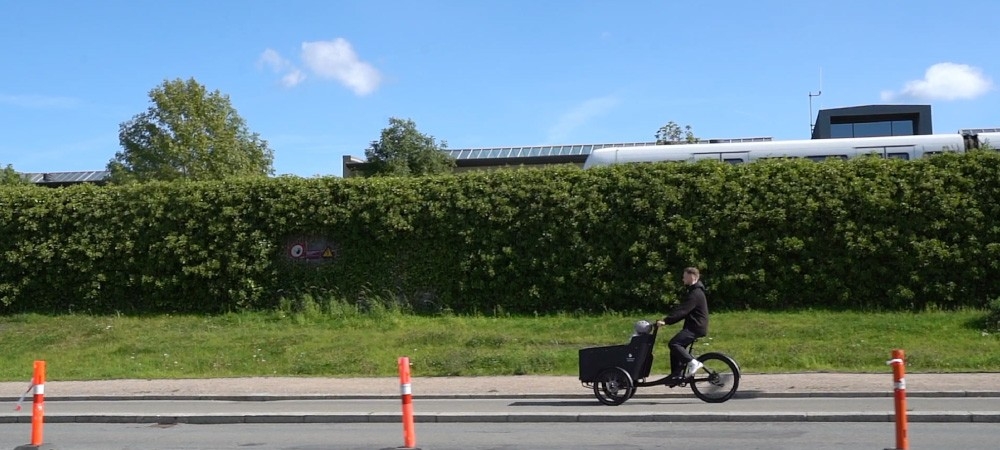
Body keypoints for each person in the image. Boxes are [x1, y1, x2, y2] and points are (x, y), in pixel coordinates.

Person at [656, 267, 709, 382]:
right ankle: (676, 375)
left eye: (685, 276)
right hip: (695, 326)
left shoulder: (695, 293)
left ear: (692, 277)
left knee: (674, 344)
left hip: (695, 327)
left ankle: (693, 363)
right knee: (676, 349)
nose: (682, 279)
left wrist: (666, 321)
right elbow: (684, 311)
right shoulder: (695, 291)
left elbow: (683, 310)